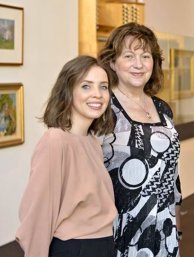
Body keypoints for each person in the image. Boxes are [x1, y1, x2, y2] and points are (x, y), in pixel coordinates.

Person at [15, 55, 117, 257]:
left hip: (102, 246)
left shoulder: (92, 142)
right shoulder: (56, 141)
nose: (97, 94)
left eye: (103, 87)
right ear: (68, 91)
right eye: (86, 86)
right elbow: (37, 213)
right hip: (75, 249)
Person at [98, 22, 182, 257]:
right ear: (113, 62)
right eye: (129, 56)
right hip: (119, 232)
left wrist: (176, 233)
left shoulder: (162, 108)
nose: (138, 64)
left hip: (164, 230)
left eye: (145, 56)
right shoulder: (103, 107)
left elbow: (173, 177)